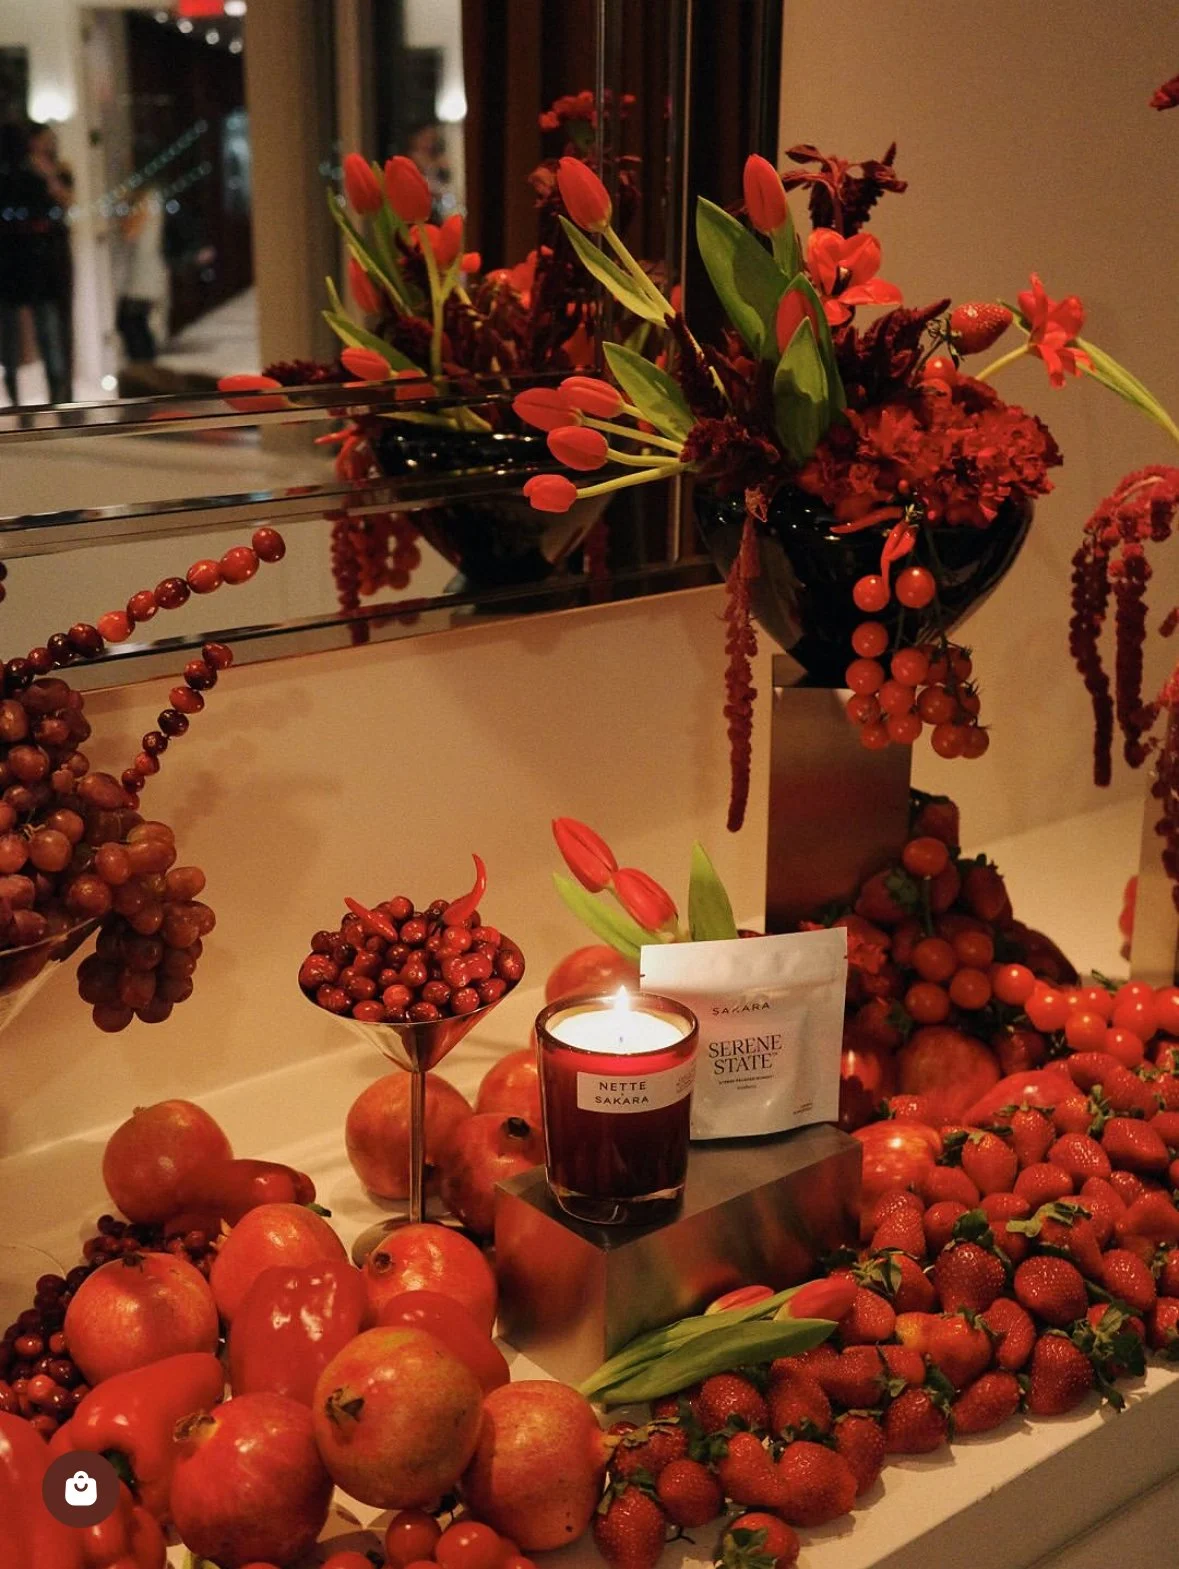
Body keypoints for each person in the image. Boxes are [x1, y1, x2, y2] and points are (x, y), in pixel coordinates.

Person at [0, 122, 73, 405]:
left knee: (46, 329)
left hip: (41, 261)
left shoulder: (54, 171)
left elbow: (65, 201)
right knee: (15, 333)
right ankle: (18, 398)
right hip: (18, 259)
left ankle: (57, 396)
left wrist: (49, 176)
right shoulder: (14, 176)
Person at [116, 182, 169, 364]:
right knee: (136, 323)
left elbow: (130, 231)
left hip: (143, 273)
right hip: (143, 271)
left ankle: (144, 368)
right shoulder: (152, 199)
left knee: (132, 323)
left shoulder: (148, 199)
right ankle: (144, 367)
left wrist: (124, 209)